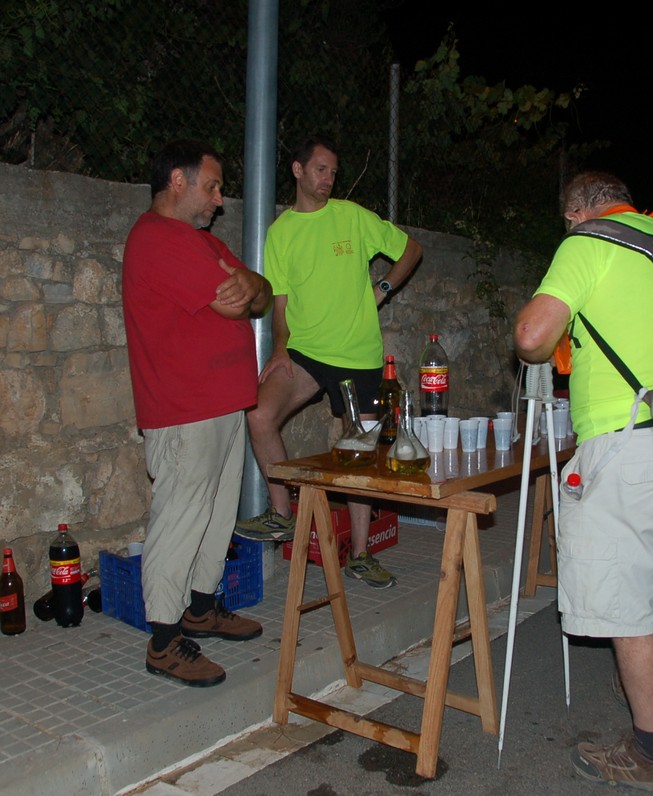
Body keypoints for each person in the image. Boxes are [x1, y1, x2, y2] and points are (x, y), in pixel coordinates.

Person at [514, 171, 653, 793]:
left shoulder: (589, 242)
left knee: (627, 608)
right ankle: (647, 706)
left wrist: (548, 344)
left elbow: (532, 336)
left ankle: (652, 753)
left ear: (576, 212)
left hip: (629, 444)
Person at [236, 136, 422, 589]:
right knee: (258, 414)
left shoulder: (351, 216)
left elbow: (411, 250)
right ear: (298, 170)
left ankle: (360, 554)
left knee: (358, 452)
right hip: (305, 352)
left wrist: (382, 290)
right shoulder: (281, 232)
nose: (328, 179)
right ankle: (282, 513)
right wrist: (279, 347)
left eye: (334, 172)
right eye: (321, 169)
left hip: (358, 354)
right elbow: (280, 303)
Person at [123, 140, 272, 686]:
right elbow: (235, 304)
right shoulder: (157, 238)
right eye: (211, 186)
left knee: (216, 513)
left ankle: (201, 608)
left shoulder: (202, 241)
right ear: (177, 182)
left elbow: (262, 296)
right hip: (183, 407)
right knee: (181, 517)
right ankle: (164, 642)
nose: (219, 199)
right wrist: (248, 288)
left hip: (221, 403)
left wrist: (254, 284)